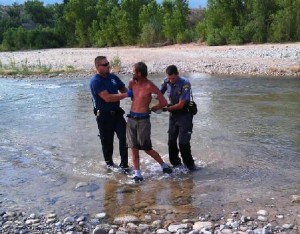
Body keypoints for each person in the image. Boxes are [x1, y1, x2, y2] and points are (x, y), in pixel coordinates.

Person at [126, 62, 173, 182]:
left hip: (143, 120)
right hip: (131, 118)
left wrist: (153, 108)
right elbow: (132, 97)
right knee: (133, 147)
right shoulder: (131, 83)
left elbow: (163, 102)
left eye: (133, 72)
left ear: (139, 73)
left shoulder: (150, 86)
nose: (131, 74)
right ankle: (137, 173)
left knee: (147, 148)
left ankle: (163, 165)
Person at [90, 56, 132, 173]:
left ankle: (124, 165)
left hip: (117, 114)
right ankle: (110, 165)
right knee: (107, 142)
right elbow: (107, 98)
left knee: (124, 138)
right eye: (105, 64)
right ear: (97, 67)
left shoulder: (113, 77)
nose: (108, 66)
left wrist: (134, 94)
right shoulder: (96, 81)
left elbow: (123, 88)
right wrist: (127, 95)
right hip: (104, 116)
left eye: (108, 63)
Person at [160, 65, 196, 171]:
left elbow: (181, 104)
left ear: (177, 74)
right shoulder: (166, 81)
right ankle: (176, 165)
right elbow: (158, 95)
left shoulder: (185, 83)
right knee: (171, 141)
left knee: (183, 143)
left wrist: (166, 109)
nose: (171, 81)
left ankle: (190, 167)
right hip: (173, 115)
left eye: (173, 78)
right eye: (169, 78)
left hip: (185, 115)